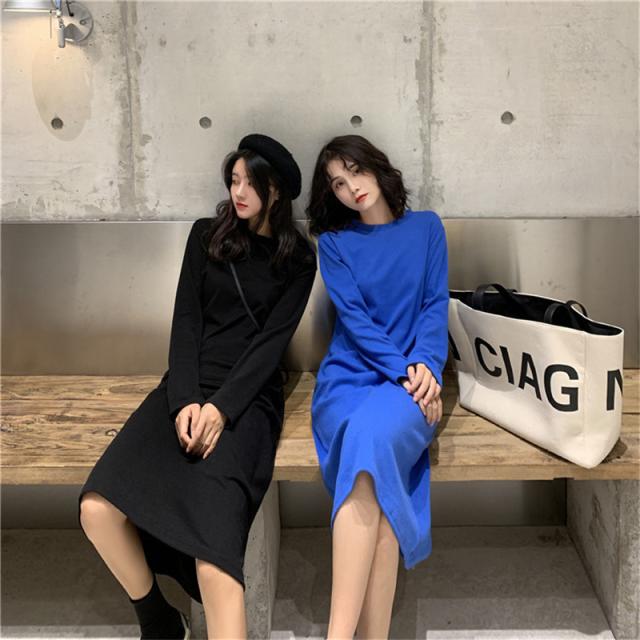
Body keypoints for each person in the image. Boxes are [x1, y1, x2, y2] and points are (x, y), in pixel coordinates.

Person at [79, 134, 316, 639]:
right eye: (234, 180)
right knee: (96, 509)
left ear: (275, 190)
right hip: (186, 384)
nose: (238, 192)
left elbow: (270, 346)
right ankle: (160, 622)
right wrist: (185, 400)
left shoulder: (298, 259)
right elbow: (186, 322)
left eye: (250, 182)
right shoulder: (206, 235)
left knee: (214, 563)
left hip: (248, 398)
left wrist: (221, 409)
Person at [307, 134, 449, 639]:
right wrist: (408, 371)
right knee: (377, 481)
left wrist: (426, 365)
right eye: (337, 184)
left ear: (376, 167)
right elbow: (358, 324)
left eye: (355, 171)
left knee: (370, 449)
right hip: (349, 378)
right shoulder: (335, 244)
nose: (350, 188)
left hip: (412, 383)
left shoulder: (427, 228)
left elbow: (434, 306)